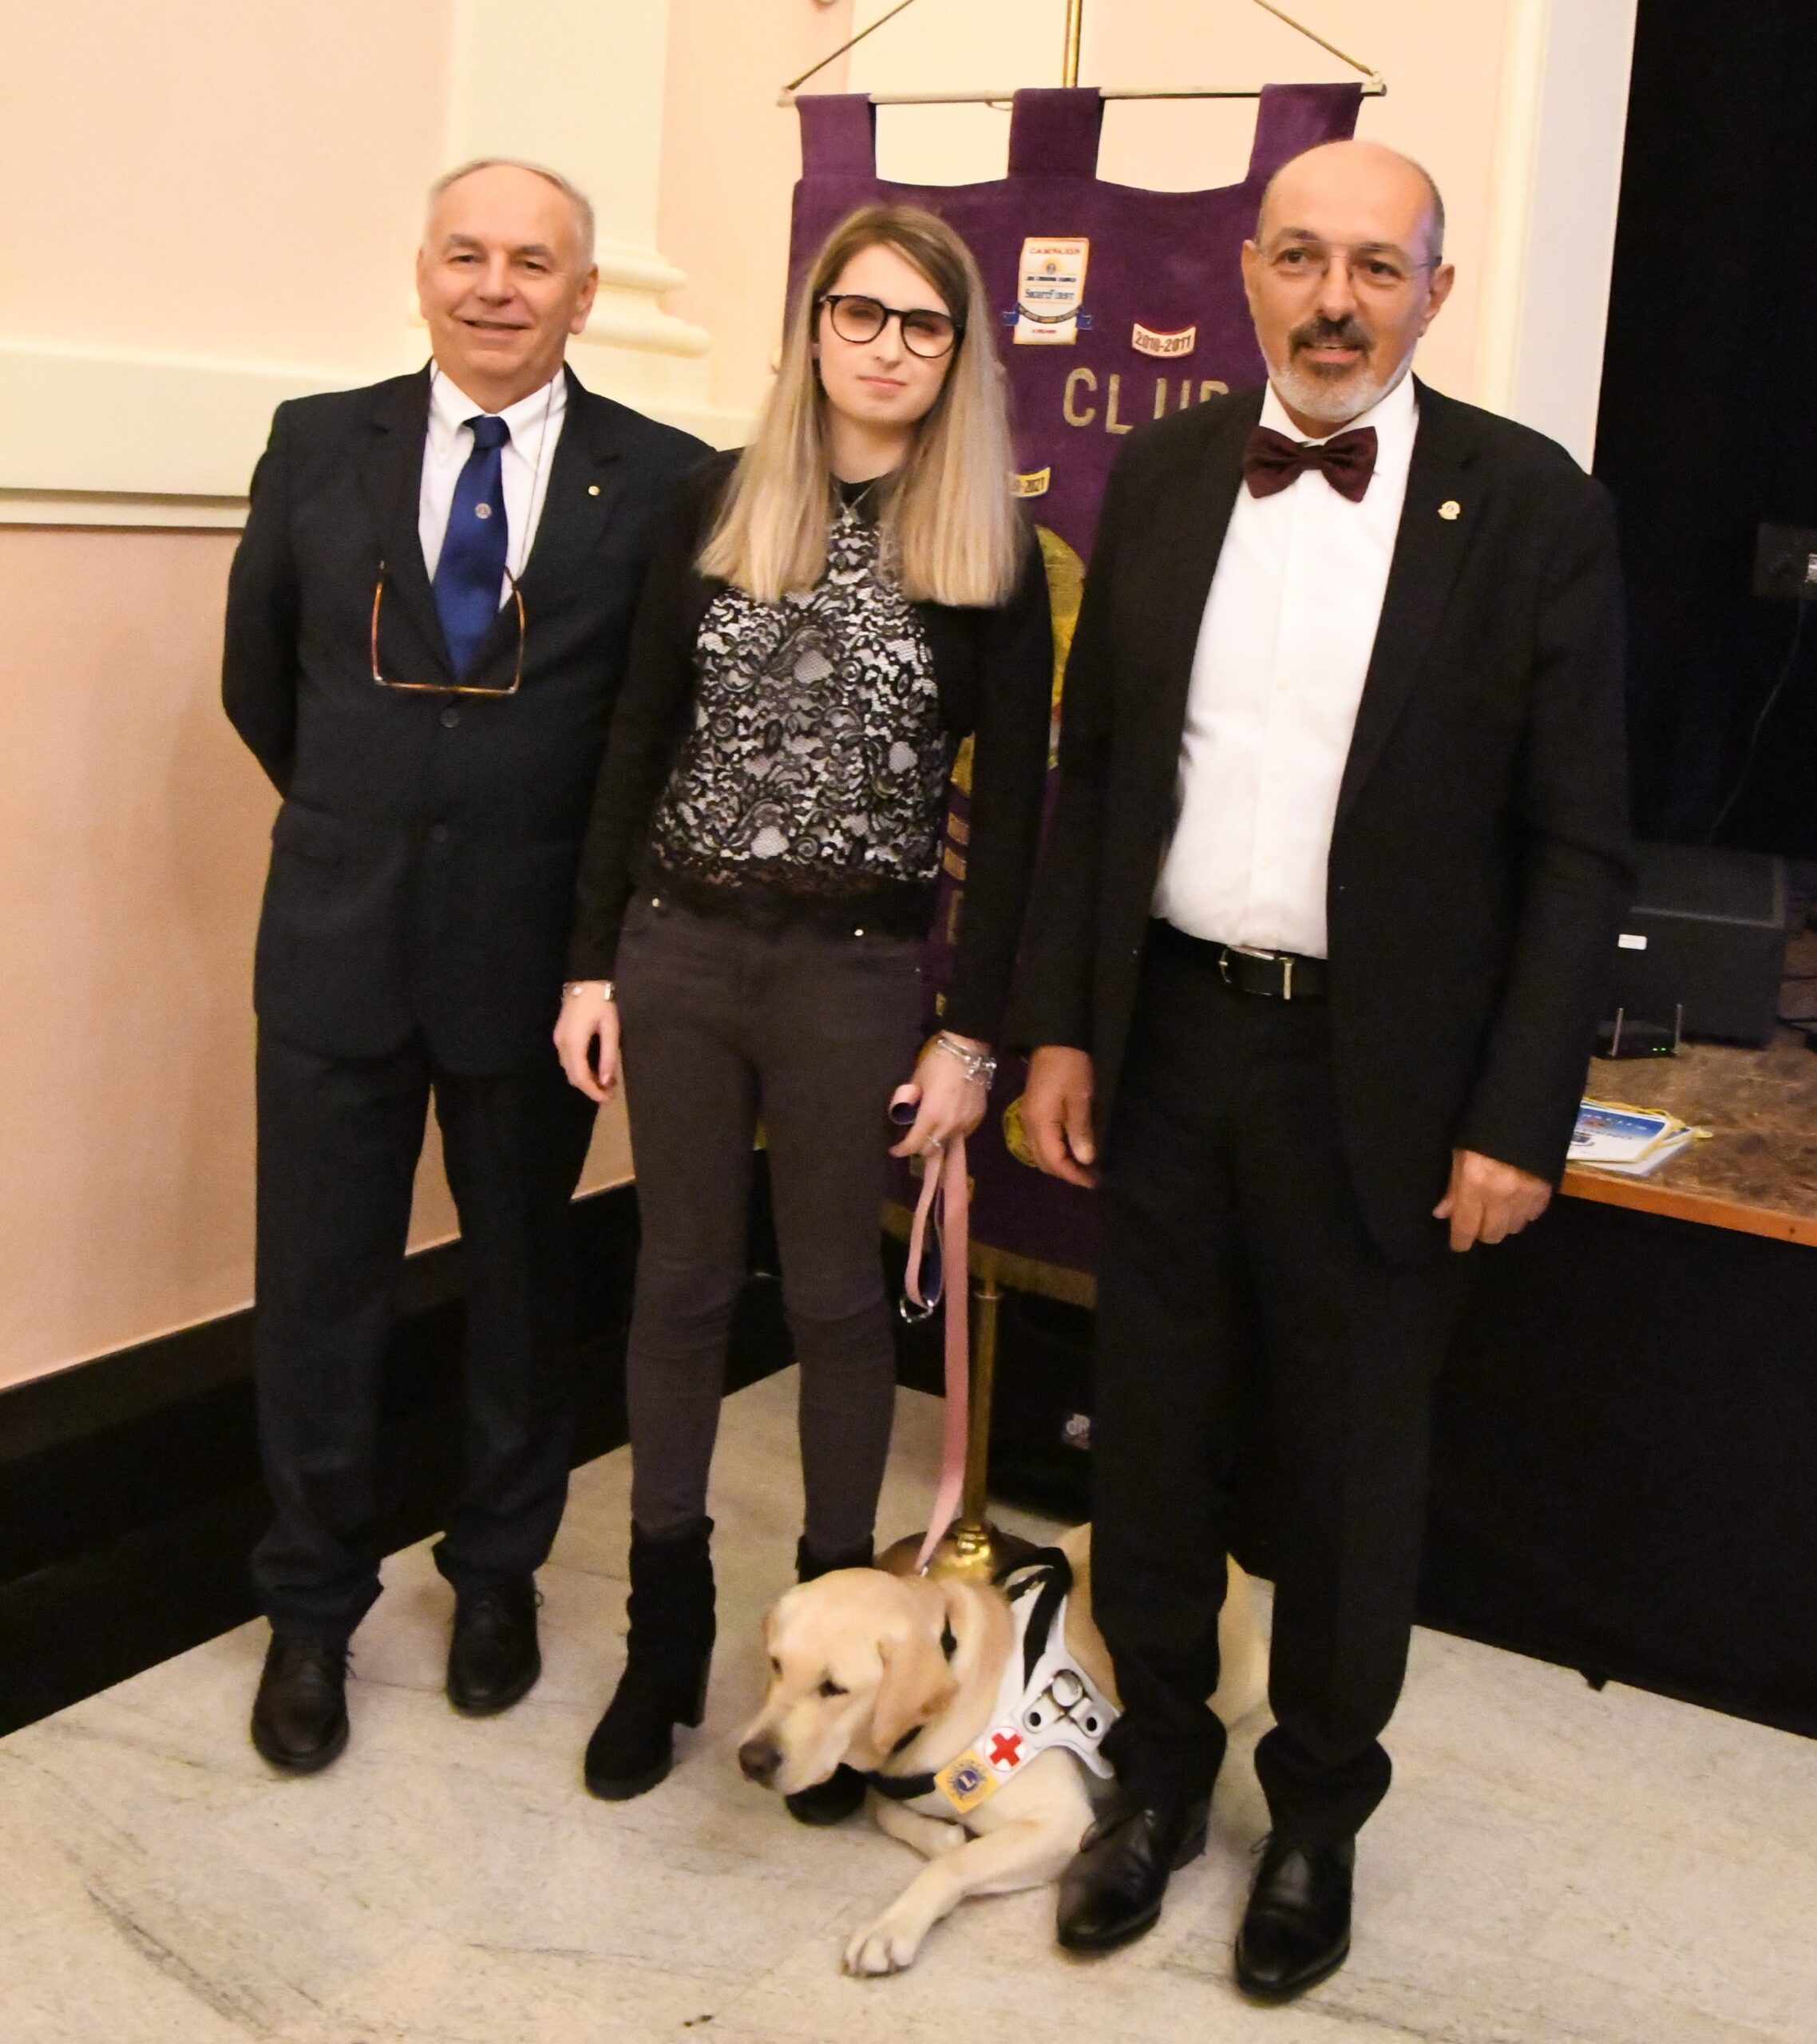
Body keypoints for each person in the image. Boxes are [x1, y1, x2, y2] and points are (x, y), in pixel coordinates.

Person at [1013, 141, 1633, 1999]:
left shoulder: (1530, 506)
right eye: (1300, 257)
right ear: (1247, 272)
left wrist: (1515, 1113)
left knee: (1356, 1465)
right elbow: (1096, 774)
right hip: (1167, 1030)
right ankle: (1158, 1773)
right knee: (1155, 1431)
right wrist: (1062, 1019)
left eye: (1375, 264)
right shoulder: (1165, 472)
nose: (1334, 299)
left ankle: (1315, 1813)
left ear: (1434, 289)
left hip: (1386, 1071)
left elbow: (1576, 848)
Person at [555, 203, 1053, 1816]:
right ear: (815, 325)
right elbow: (634, 740)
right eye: (861, 313)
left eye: (924, 324)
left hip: (853, 974)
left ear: (957, 354)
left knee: (837, 1297)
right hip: (680, 954)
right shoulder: (714, 502)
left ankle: (846, 1648)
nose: (887, 348)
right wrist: (588, 961)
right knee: (681, 1280)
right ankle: (665, 1646)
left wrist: (971, 1035)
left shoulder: (989, 551)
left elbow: (1020, 820)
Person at [224, 159, 707, 1773]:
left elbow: (653, 725)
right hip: (336, 943)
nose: (497, 287)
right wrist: (373, 818)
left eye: (534, 262)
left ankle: (496, 1572)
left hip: (537, 959)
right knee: (318, 1292)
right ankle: (310, 1606)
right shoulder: (316, 441)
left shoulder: (665, 477)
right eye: (467, 255)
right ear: (422, 270)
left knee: (521, 1284)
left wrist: (584, 925)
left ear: (585, 293)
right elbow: (260, 681)